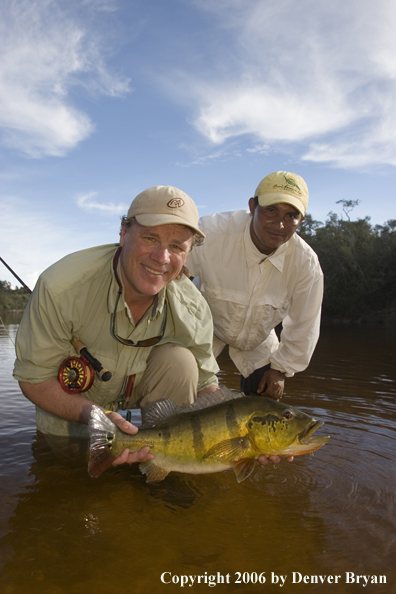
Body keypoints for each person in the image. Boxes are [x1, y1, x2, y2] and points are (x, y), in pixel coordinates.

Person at [14, 185, 219, 467]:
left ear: (187, 254)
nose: (162, 258)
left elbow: (207, 386)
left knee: (182, 361)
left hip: (151, 412)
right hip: (72, 407)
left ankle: (162, 463)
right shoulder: (61, 287)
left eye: (176, 246)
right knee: (63, 478)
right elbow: (34, 379)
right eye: (150, 238)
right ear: (123, 233)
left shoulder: (194, 308)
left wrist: (248, 437)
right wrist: (96, 418)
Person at [187, 171, 324, 401]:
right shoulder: (209, 233)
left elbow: (304, 324)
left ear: (302, 220)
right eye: (271, 210)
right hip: (205, 327)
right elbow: (169, 273)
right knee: (182, 383)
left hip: (257, 338)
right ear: (252, 206)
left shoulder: (306, 265)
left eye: (291, 215)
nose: (279, 224)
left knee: (267, 407)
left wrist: (281, 369)